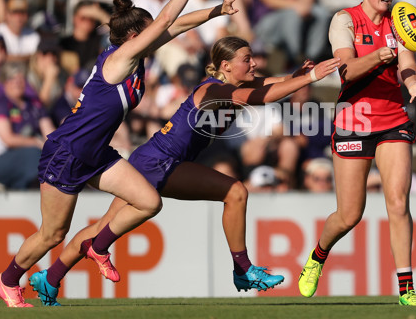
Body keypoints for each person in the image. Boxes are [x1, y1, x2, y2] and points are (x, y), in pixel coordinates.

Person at [0, 0, 234, 308]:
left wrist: (218, 11)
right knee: (53, 233)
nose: (156, 32)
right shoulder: (120, 59)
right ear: (135, 35)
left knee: (149, 201)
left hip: (96, 154)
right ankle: (8, 280)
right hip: (68, 152)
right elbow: (168, 18)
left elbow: (176, 24)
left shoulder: (135, 54)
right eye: (148, 30)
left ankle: (97, 245)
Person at [28, 36, 340, 305]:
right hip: (154, 162)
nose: (254, 64)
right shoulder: (213, 91)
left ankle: (51, 277)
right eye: (247, 60)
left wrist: (296, 75)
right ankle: (243, 270)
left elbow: (269, 84)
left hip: (170, 162)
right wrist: (309, 80)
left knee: (234, 193)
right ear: (226, 66)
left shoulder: (236, 82)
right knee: (232, 192)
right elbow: (259, 96)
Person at [297, 0, 416, 306]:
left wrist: (413, 81)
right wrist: (377, 56)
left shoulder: (399, 21)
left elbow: (407, 62)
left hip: (392, 118)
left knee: (399, 202)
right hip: (354, 120)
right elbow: (348, 71)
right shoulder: (345, 20)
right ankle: (318, 255)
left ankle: (406, 290)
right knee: (349, 215)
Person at [0, 62, 56, 190]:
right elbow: (9, 140)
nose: (17, 82)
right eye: (12, 79)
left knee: (58, 154)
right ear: (4, 82)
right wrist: (37, 142)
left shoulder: (34, 104)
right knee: (35, 155)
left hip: (23, 158)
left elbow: (51, 134)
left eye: (20, 78)